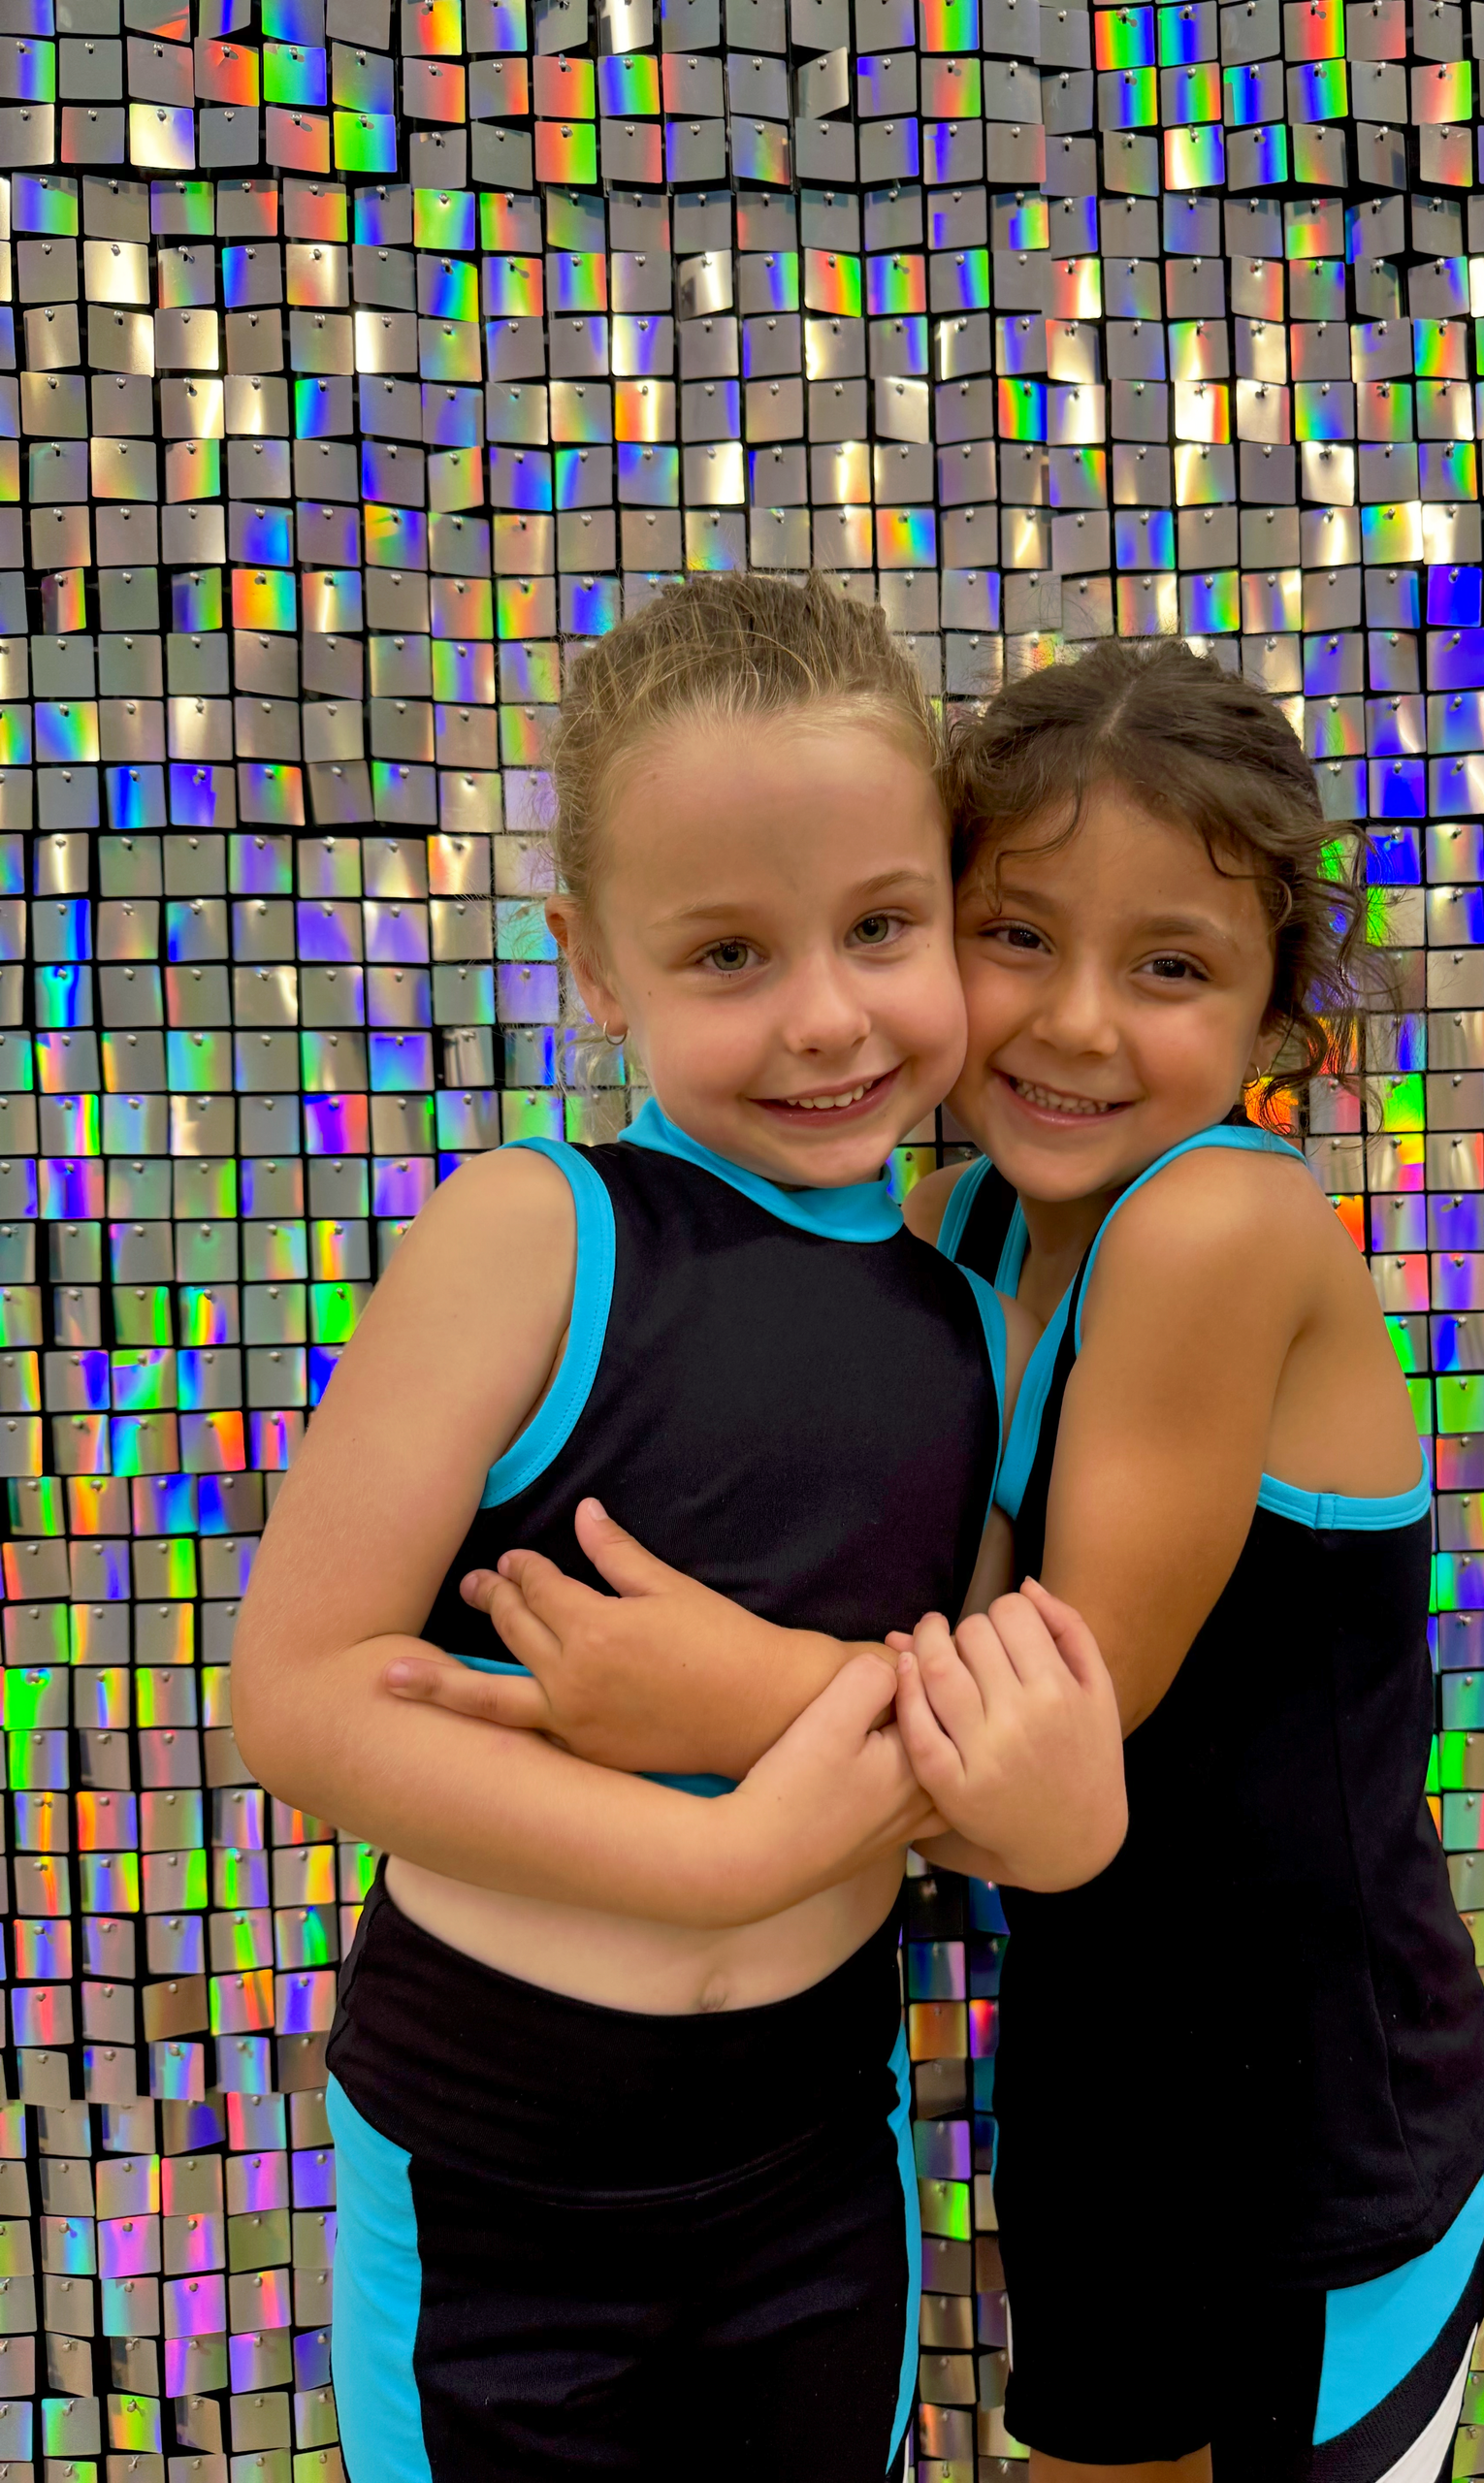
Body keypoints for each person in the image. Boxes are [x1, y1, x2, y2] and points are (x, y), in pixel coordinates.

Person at [389, 636, 1484, 2482]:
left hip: (1315, 2121)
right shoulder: (956, 1220)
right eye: (1018, 936)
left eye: (1171, 968)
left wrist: (708, 1693)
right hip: (1089, 2087)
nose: (1074, 1021)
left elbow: (1069, 1709)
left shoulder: (1218, 1220)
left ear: (1276, 1018)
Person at [231, 574, 1126, 2483]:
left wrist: (1041, 1809)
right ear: (595, 960)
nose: (825, 1016)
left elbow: (961, 1739)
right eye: (727, 952)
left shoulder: (976, 1326)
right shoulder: (534, 1231)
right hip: (496, 2162)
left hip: (813, 2159)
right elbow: (299, 1698)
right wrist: (716, 1863)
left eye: (880, 928)